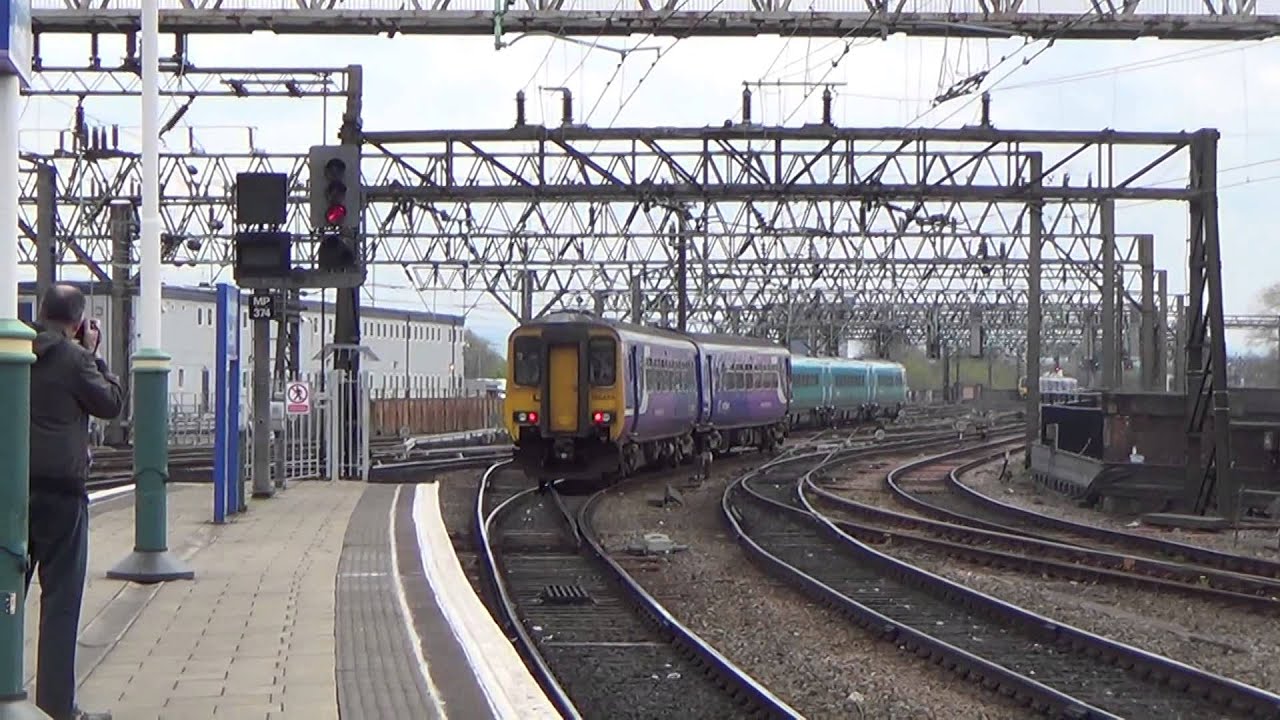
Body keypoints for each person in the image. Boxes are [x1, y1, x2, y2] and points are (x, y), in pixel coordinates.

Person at [26, 285, 125, 720]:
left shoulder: (17, 350)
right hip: (63, 494)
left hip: (14, 490)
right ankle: (55, 707)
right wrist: (96, 354)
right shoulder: (75, 359)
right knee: (61, 601)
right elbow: (111, 403)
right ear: (79, 322)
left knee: (7, 597)